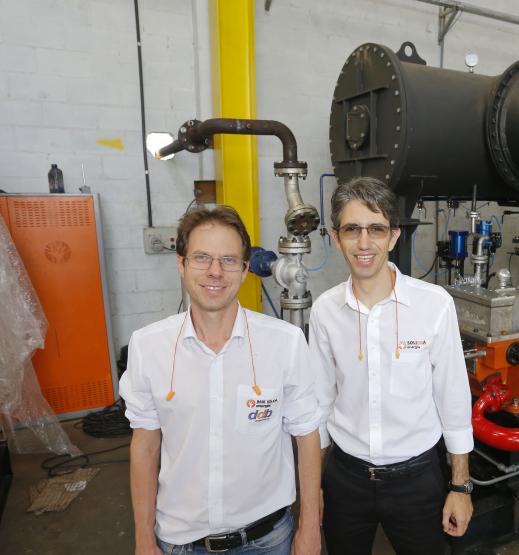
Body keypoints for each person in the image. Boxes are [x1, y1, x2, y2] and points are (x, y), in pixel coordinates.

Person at [119, 206, 322, 555]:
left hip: (269, 539)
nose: (215, 272)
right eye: (201, 258)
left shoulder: (285, 342)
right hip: (181, 541)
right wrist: (142, 537)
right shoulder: (148, 346)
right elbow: (145, 446)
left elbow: (307, 437)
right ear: (181, 264)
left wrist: (310, 528)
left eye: (229, 260)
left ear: (245, 271)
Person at [309, 177, 474, 554]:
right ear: (336, 238)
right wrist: (314, 487)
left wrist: (460, 487)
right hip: (345, 480)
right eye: (352, 230)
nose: (364, 243)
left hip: (418, 480)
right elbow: (317, 407)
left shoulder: (433, 305)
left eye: (376, 229)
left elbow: (453, 400)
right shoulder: (325, 312)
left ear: (394, 236)